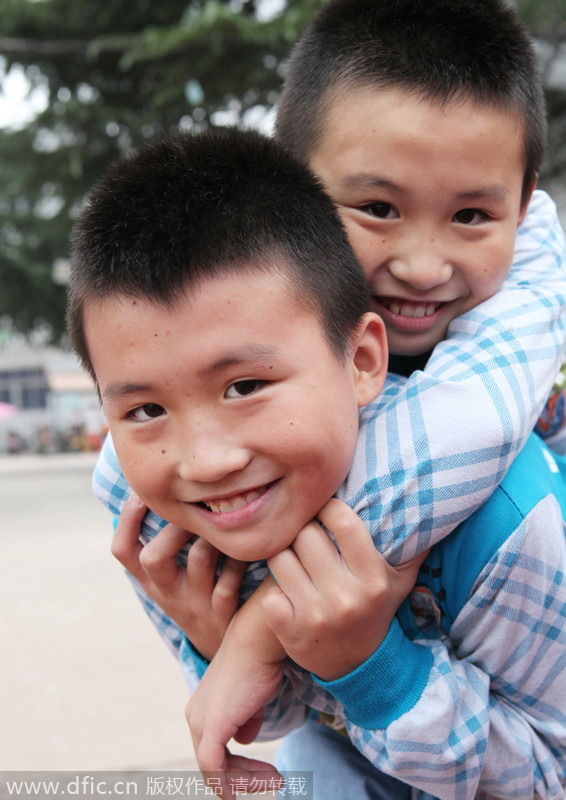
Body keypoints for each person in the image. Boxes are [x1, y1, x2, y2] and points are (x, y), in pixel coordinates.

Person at [69, 127, 566, 799]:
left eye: (244, 387)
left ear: (364, 362)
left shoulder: (504, 524)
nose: (206, 461)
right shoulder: (156, 528)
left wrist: (371, 669)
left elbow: (551, 777)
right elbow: (276, 715)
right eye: (145, 410)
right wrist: (214, 644)